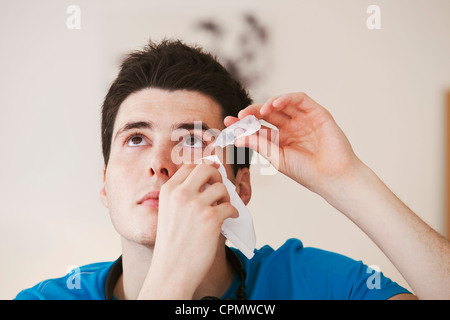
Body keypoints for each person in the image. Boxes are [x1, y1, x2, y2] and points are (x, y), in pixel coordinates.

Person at [15, 39, 449, 300]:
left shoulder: (315, 284)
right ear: (105, 183)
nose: (159, 165)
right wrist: (171, 281)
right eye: (136, 139)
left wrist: (347, 180)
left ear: (239, 185)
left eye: (191, 141)